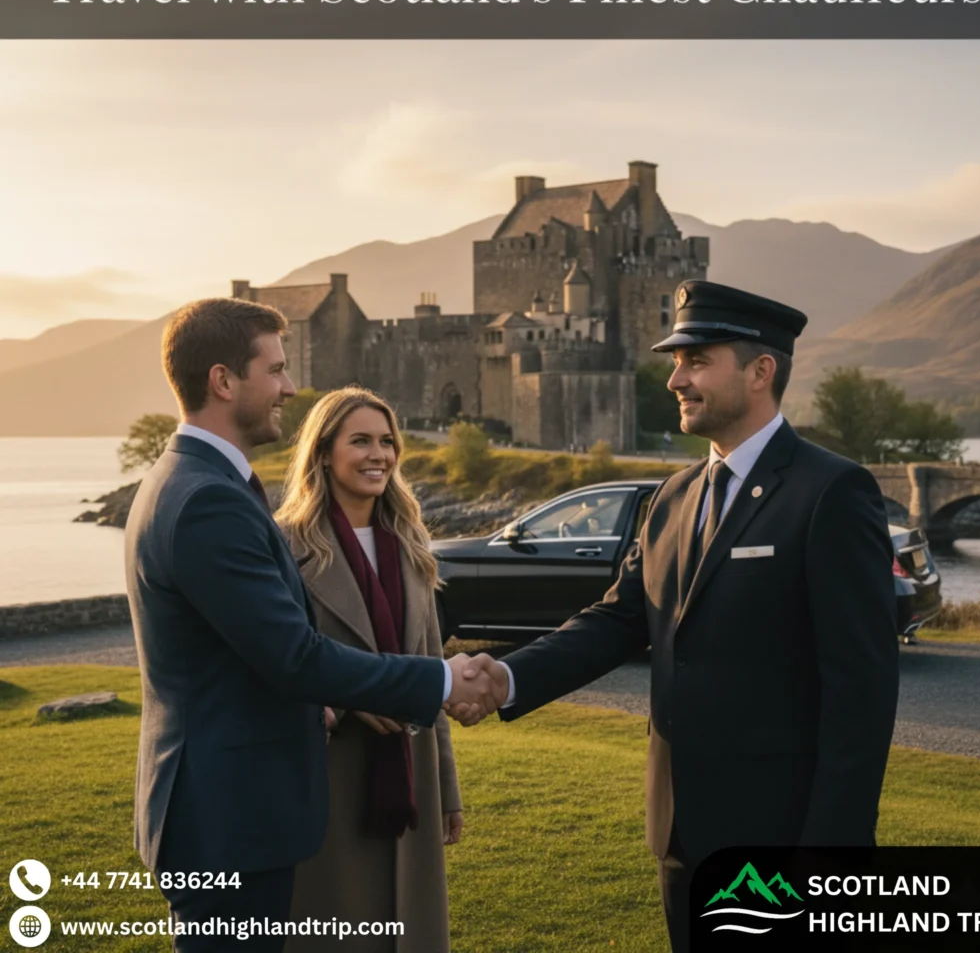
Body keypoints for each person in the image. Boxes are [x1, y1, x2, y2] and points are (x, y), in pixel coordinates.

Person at [450, 280, 900, 951]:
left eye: (696, 361)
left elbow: (861, 691)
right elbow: (618, 619)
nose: (675, 380)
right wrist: (506, 679)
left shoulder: (830, 492)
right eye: (675, 361)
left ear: (759, 371)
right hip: (680, 831)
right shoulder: (675, 495)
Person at [125, 298, 497, 952]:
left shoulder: (195, 483)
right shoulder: (208, 497)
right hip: (230, 819)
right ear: (223, 381)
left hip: (234, 811)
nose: (290, 387)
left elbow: (251, 655)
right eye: (276, 369)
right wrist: (440, 681)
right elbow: (295, 655)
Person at [275, 387, 461, 952]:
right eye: (360, 441)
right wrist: (342, 700)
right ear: (324, 452)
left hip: (411, 774)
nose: (378, 454)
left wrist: (447, 789)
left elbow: (430, 668)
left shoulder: (413, 546)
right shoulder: (284, 547)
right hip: (329, 777)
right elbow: (272, 667)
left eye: (387, 441)